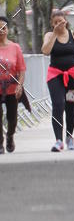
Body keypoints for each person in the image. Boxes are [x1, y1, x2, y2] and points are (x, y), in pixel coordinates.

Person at [42, 10, 74, 151]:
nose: (58, 25)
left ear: (66, 21)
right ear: (52, 23)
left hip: (73, 76)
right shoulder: (49, 35)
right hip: (55, 75)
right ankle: (58, 140)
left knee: (71, 107)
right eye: (55, 22)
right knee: (58, 105)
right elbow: (45, 51)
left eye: (61, 22)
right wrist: (55, 34)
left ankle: (69, 137)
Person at [0, 16, 26, 154]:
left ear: (8, 29)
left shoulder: (15, 47)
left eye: (3, 27)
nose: (1, 30)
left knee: (12, 117)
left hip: (11, 88)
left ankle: (10, 136)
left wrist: (19, 85)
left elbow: (21, 69)